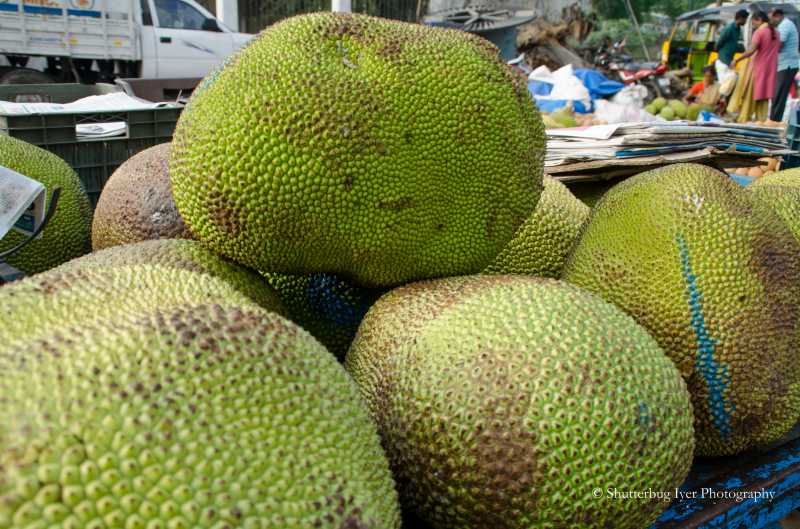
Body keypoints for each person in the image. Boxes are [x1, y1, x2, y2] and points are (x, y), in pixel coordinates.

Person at [729, 11, 780, 122]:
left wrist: (737, 59)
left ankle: (743, 119)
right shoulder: (776, 32)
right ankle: (761, 121)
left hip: (758, 69)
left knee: (750, 96)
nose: (753, 25)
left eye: (753, 23)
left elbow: (751, 51)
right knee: (764, 97)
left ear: (759, 20)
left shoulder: (760, 32)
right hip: (771, 69)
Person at [770, 8, 799, 121]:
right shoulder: (784, 25)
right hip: (785, 64)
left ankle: (774, 120)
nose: (770, 21)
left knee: (779, 93)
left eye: (771, 18)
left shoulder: (785, 25)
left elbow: (779, 44)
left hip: (787, 65)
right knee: (779, 93)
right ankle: (774, 119)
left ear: (777, 16)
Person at [714, 9, 748, 95]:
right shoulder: (729, 28)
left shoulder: (738, 29)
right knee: (724, 86)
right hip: (723, 60)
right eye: (745, 19)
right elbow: (719, 42)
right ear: (740, 18)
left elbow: (734, 44)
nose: (746, 21)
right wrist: (720, 52)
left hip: (729, 61)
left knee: (729, 87)